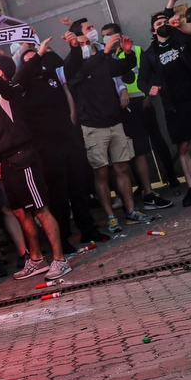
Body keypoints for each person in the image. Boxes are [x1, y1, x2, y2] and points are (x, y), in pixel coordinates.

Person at [0, 49, 71, 281]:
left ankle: (60, 259)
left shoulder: (10, 91)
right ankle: (36, 259)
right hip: (6, 160)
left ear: (5, 74)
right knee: (19, 211)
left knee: (40, 210)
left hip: (23, 156)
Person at [14, 40, 108, 245]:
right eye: (29, 60)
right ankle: (63, 237)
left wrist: (74, 48)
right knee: (58, 192)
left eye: (37, 58)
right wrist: (34, 56)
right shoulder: (20, 87)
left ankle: (87, 228)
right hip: (45, 147)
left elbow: (73, 67)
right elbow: (18, 77)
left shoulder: (52, 75)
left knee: (79, 187)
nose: (35, 62)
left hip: (68, 139)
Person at [63, 19, 153, 232]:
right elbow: (80, 74)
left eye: (91, 28)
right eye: (87, 30)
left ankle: (131, 210)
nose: (93, 31)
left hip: (115, 121)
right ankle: (111, 216)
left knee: (122, 167)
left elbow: (120, 68)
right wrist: (103, 53)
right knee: (101, 173)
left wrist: (128, 53)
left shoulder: (102, 55)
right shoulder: (74, 62)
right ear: (77, 38)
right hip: (93, 126)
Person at [139, 7, 191, 207]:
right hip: (175, 106)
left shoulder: (182, 39)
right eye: (158, 24)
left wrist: (179, 24)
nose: (163, 25)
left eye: (165, 22)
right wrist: (149, 89)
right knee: (183, 146)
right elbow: (142, 79)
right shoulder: (150, 54)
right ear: (153, 32)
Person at [98, 23, 174, 210]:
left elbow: (146, 74)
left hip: (140, 101)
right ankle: (138, 190)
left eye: (109, 34)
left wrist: (147, 96)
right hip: (119, 109)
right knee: (129, 152)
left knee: (152, 142)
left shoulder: (135, 50)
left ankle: (170, 178)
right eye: (104, 36)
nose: (105, 38)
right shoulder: (105, 56)